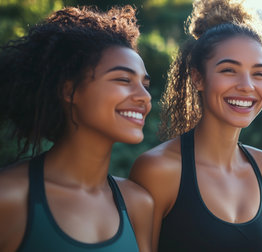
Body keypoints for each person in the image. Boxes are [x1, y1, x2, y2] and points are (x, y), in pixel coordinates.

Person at [129, 0, 262, 251]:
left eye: (259, 73)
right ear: (198, 78)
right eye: (229, 70)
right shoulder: (158, 170)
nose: (247, 85)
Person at [0, 6, 153, 252]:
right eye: (123, 80)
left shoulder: (138, 204)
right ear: (69, 91)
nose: (144, 97)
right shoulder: (9, 198)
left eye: (145, 84)